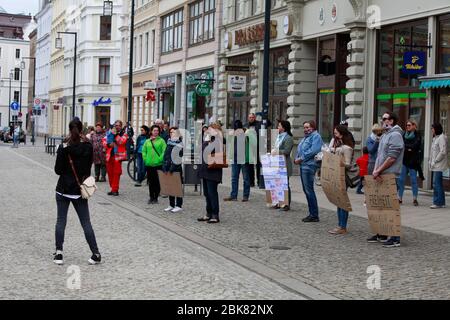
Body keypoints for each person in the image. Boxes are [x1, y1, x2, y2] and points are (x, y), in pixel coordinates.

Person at [53, 119, 101, 265]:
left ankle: (59, 253)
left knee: (61, 221)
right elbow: (87, 169)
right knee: (86, 223)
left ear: (69, 130)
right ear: (81, 130)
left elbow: (57, 170)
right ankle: (95, 253)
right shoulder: (87, 146)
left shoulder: (63, 147)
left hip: (63, 189)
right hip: (79, 190)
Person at [368, 111, 404, 248]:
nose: (382, 121)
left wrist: (378, 170)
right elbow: (379, 154)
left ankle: (395, 238)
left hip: (389, 174)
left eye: (385, 119)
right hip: (381, 174)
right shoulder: (386, 134)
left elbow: (392, 157)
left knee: (391, 206)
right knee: (381, 205)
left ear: (392, 120)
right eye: (382, 119)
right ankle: (382, 232)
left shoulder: (395, 135)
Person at [328, 125, 355, 235]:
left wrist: (339, 162)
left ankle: (343, 226)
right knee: (338, 201)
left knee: (342, 202)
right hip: (338, 175)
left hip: (343, 176)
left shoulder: (347, 148)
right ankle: (340, 225)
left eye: (336, 133)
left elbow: (348, 164)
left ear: (342, 134)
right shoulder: (340, 146)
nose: (335, 135)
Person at [295, 120, 323, 221]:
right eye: (305, 127)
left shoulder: (316, 136)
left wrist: (301, 158)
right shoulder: (306, 138)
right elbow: (300, 149)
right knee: (306, 190)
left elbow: (314, 150)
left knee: (309, 190)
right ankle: (312, 213)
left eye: (308, 127)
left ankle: (314, 215)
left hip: (309, 165)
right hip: (303, 165)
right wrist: (296, 158)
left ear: (313, 127)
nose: (306, 129)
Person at [197, 121, 225, 223]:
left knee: (212, 193)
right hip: (205, 169)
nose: (208, 130)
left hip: (213, 170)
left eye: (210, 129)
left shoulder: (218, 140)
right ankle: (208, 213)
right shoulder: (208, 139)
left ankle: (215, 214)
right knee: (207, 193)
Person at [224, 120, 251, 202]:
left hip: (243, 158)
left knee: (246, 178)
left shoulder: (246, 134)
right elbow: (227, 143)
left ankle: (245, 195)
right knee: (234, 178)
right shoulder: (233, 134)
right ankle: (233, 195)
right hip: (235, 158)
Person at [397, 119, 422, 206]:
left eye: (409, 125)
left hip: (413, 162)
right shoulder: (404, 134)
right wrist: (408, 148)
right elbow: (401, 144)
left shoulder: (417, 135)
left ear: (414, 126)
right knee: (401, 180)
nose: (407, 127)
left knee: (414, 180)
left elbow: (415, 146)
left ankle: (415, 199)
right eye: (407, 125)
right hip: (404, 161)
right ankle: (399, 198)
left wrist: (407, 147)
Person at [271, 120, 294, 211]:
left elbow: (287, 151)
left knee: (285, 184)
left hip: (284, 163)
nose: (278, 127)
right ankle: (278, 202)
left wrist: (277, 151)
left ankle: (286, 204)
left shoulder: (288, 138)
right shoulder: (278, 137)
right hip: (277, 162)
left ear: (284, 128)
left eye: (279, 126)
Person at [142, 125, 166, 204]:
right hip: (149, 164)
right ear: (151, 131)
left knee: (157, 182)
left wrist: (159, 159)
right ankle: (151, 197)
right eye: (154, 130)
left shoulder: (161, 141)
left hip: (158, 164)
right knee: (150, 182)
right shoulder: (147, 141)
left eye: (157, 131)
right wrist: (145, 159)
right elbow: (144, 151)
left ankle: (156, 197)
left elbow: (164, 151)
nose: (156, 132)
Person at [162, 127, 184, 213]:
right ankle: (171, 204)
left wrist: (172, 168)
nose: (172, 134)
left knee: (177, 187)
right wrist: (164, 165)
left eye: (174, 132)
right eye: (171, 132)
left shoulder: (180, 144)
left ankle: (178, 205)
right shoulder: (169, 143)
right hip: (168, 167)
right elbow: (165, 155)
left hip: (176, 168)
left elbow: (178, 158)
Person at [104, 120, 128, 196]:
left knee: (116, 173)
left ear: (121, 126)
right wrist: (107, 145)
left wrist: (116, 135)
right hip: (109, 156)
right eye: (116, 125)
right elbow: (104, 141)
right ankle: (112, 188)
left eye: (118, 125)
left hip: (118, 157)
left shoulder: (124, 134)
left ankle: (115, 190)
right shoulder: (109, 132)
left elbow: (121, 142)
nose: (117, 126)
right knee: (110, 173)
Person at [429, 122, 448, 209]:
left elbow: (443, 151)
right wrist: (430, 161)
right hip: (435, 165)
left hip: (439, 165)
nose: (431, 130)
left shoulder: (441, 138)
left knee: (436, 184)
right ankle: (441, 202)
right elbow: (433, 151)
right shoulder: (435, 138)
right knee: (438, 183)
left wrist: (435, 160)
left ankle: (437, 202)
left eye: (432, 128)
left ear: (436, 128)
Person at [244, 113, 261, 188]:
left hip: (257, 147)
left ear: (255, 118)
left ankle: (259, 181)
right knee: (250, 165)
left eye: (252, 117)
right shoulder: (246, 125)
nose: (251, 118)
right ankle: (251, 182)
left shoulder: (259, 124)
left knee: (258, 165)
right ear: (248, 118)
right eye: (250, 117)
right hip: (249, 147)